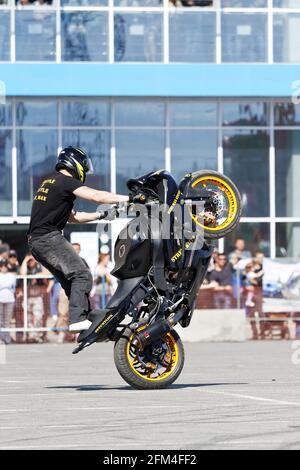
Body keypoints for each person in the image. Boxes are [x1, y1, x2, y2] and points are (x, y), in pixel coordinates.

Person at [27, 146, 130, 334]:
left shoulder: (50, 182)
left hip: (36, 241)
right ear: (76, 164)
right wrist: (130, 199)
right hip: (48, 237)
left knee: (70, 281)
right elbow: (96, 196)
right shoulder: (65, 181)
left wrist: (101, 216)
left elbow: (73, 217)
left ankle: (87, 320)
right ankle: (78, 320)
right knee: (82, 274)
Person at [0, 258, 16, 345]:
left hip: (10, 299)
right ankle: (1, 338)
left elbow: (14, 287)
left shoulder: (12, 276)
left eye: (5, 265)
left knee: (7, 320)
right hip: (0, 299)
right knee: (0, 320)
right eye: (2, 266)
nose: (3, 267)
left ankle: (7, 338)